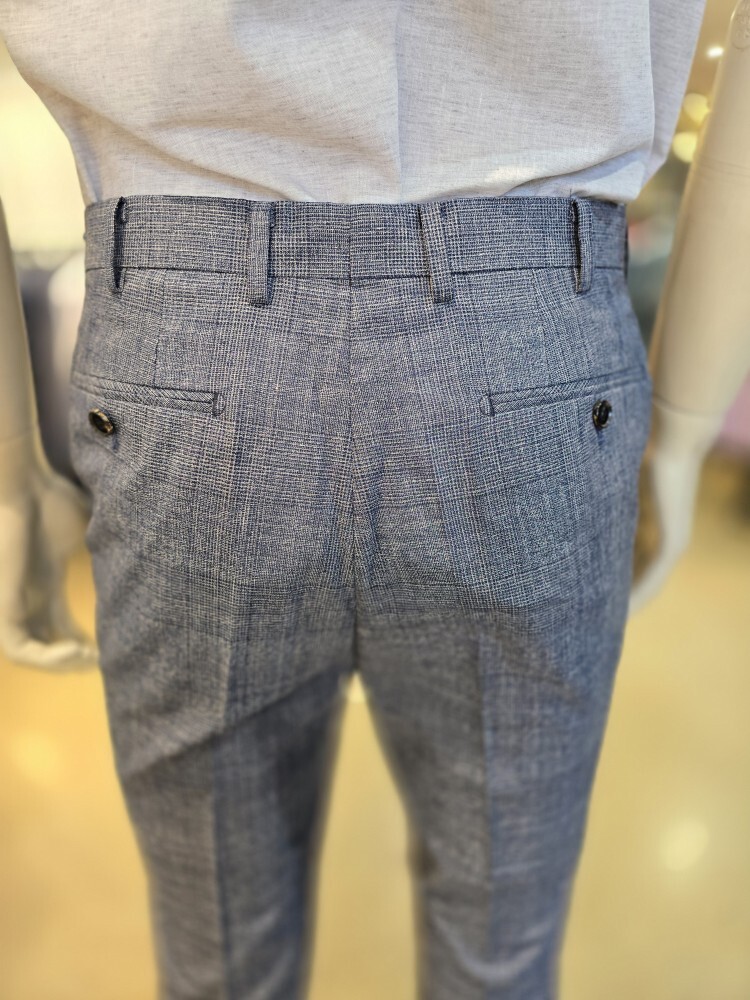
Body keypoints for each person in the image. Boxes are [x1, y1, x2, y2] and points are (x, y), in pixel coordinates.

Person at [2, 2, 748, 997]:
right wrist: (684, 430)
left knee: (218, 956)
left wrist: (9, 467)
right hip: (528, 347)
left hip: (190, 354)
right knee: (501, 951)